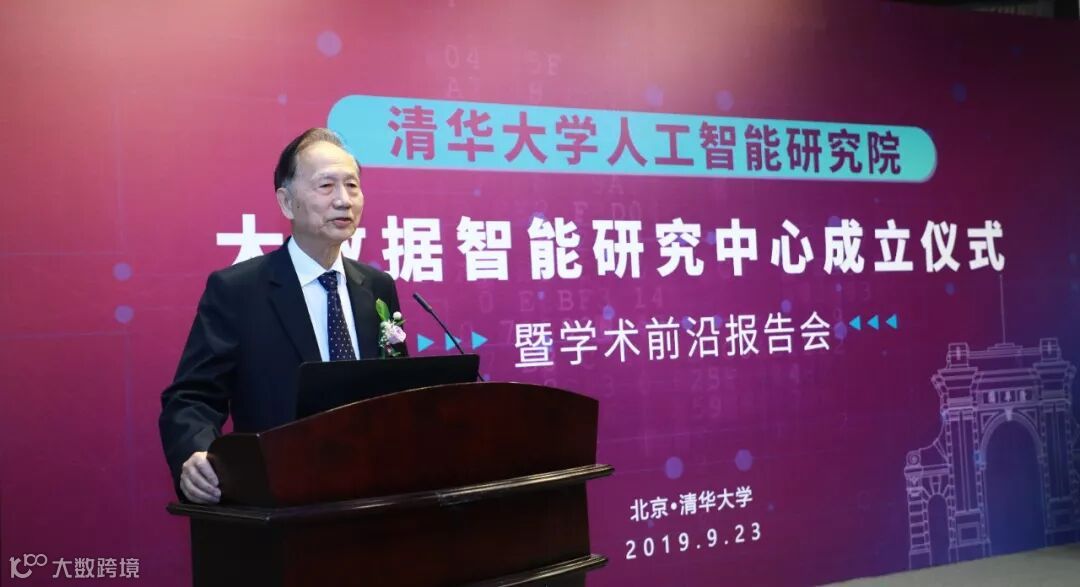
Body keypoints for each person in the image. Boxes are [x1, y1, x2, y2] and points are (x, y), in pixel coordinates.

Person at [159, 128, 404, 504]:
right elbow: (192, 397)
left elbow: (396, 393)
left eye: (352, 186)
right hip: (278, 497)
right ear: (287, 203)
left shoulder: (377, 287)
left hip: (372, 496)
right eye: (326, 186)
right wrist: (196, 453)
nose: (343, 200)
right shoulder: (238, 290)